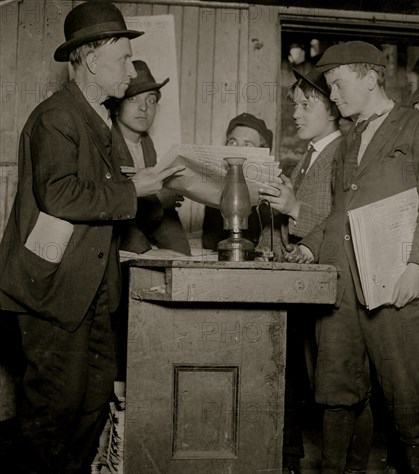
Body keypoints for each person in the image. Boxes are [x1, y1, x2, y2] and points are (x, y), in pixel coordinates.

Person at [0, 2, 183, 472]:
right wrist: (134, 188)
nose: (130, 70)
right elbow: (59, 195)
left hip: (94, 294)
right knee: (52, 414)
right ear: (91, 56)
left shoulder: (94, 117)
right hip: (54, 296)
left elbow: (101, 211)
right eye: (123, 58)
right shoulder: (56, 117)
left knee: (92, 403)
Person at [286, 41, 419, 473]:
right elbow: (339, 210)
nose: (334, 95)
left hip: (394, 285)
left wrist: (418, 265)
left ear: (370, 76)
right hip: (343, 291)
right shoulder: (348, 140)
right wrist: (309, 244)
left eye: (338, 84)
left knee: (410, 398)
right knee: (336, 394)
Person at [258, 68, 342, 474]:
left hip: (326, 290)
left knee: (327, 387)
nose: (296, 113)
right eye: (295, 104)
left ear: (333, 109)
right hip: (298, 286)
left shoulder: (340, 154)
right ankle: (287, 456)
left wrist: (294, 209)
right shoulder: (308, 156)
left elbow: (335, 221)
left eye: (307, 104)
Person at [112, 60, 191, 256]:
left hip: (146, 219)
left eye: (151, 100)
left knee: (184, 261)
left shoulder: (146, 143)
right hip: (116, 227)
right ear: (116, 106)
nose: (143, 108)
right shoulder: (106, 142)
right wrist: (157, 199)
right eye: (132, 99)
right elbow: (111, 206)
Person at [201, 112, 273, 251]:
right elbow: (210, 243)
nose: (237, 150)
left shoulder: (272, 194)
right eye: (232, 142)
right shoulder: (218, 192)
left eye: (248, 145)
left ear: (262, 152)